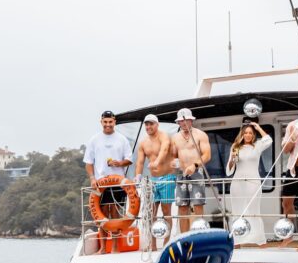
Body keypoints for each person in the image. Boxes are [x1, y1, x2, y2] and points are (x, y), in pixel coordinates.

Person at [84, 110, 133, 253]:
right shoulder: (94, 140)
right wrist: (92, 178)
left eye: (110, 122)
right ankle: (104, 248)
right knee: (102, 215)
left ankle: (116, 247)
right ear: (101, 122)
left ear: (114, 122)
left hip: (117, 182)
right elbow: (88, 162)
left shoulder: (122, 139)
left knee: (116, 214)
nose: (108, 125)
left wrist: (119, 163)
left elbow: (129, 159)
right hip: (100, 183)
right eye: (105, 122)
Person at [225, 122, 272, 247]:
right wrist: (232, 160)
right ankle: (237, 240)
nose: (248, 135)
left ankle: (259, 240)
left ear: (253, 135)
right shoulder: (235, 147)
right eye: (245, 132)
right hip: (237, 182)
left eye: (250, 133)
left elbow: (268, 140)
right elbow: (229, 170)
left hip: (253, 181)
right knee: (237, 210)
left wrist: (258, 127)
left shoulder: (257, 146)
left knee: (254, 210)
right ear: (242, 134)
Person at [135, 114, 177, 248]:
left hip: (167, 177)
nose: (148, 127)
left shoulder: (164, 136)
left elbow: (165, 149)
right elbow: (140, 162)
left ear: (157, 125)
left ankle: (166, 242)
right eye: (146, 124)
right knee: (151, 212)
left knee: (166, 211)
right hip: (152, 180)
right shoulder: (143, 143)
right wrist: (138, 176)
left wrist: (157, 162)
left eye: (151, 124)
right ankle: (152, 244)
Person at [171, 108, 211, 233]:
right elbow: (173, 156)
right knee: (182, 206)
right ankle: (184, 237)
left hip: (196, 172)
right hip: (181, 174)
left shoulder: (200, 134)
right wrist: (172, 162)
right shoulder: (175, 137)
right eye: (181, 121)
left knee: (198, 204)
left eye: (186, 120)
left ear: (191, 120)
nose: (183, 123)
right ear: (178, 123)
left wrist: (195, 165)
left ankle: (200, 235)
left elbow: (207, 155)